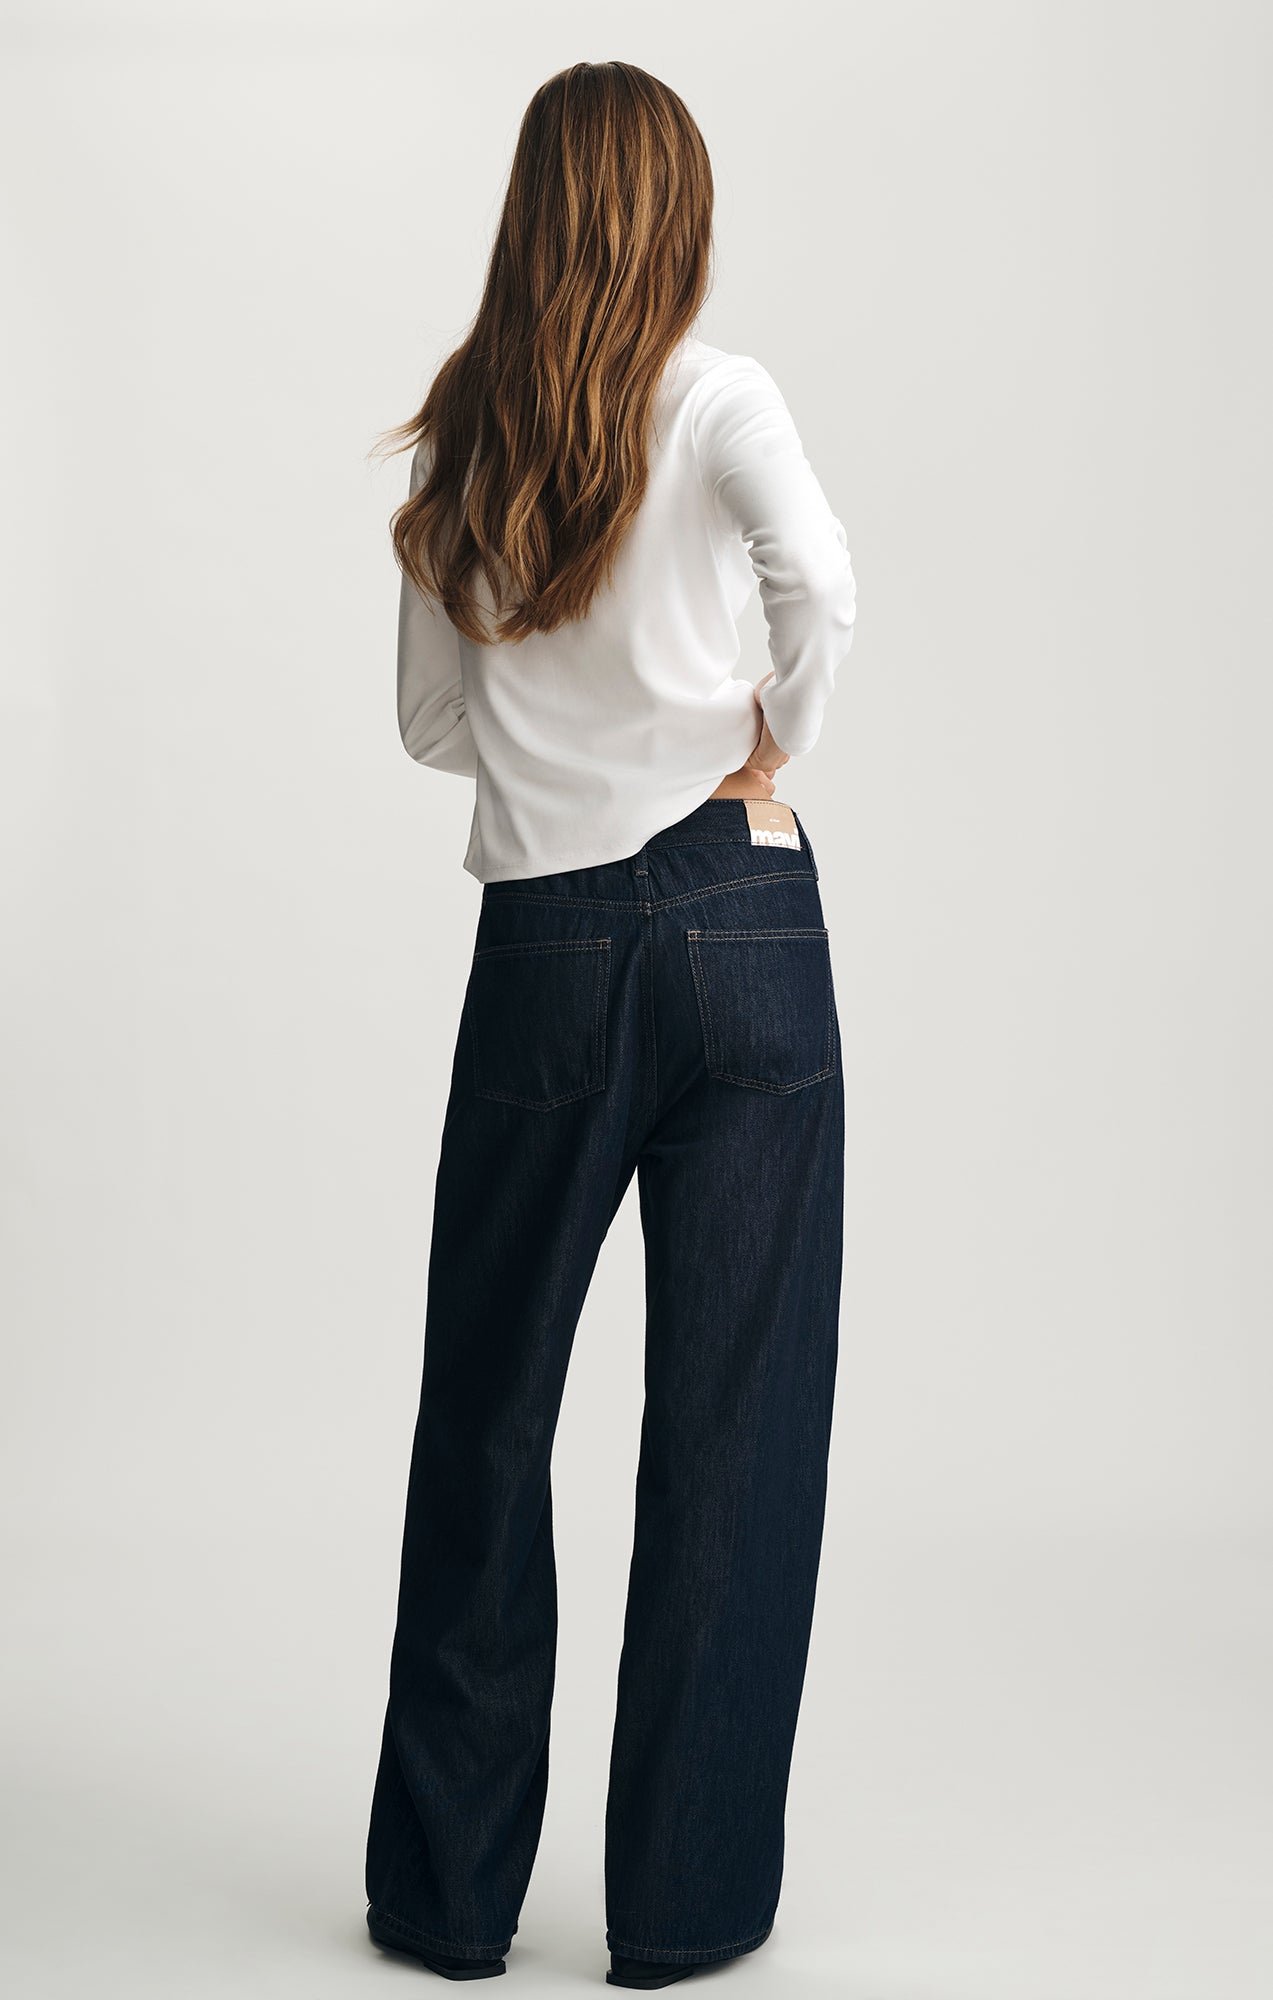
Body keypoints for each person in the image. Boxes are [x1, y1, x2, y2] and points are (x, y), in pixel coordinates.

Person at [363, 59, 858, 1992]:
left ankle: (446, 1903)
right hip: (745, 914)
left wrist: (557, 740)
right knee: (736, 1431)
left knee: (487, 1418)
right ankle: (684, 1913)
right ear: (678, 216)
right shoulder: (720, 396)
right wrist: (760, 740)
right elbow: (820, 582)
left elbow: (428, 726)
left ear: (530, 212)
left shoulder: (464, 439)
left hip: (549, 952)